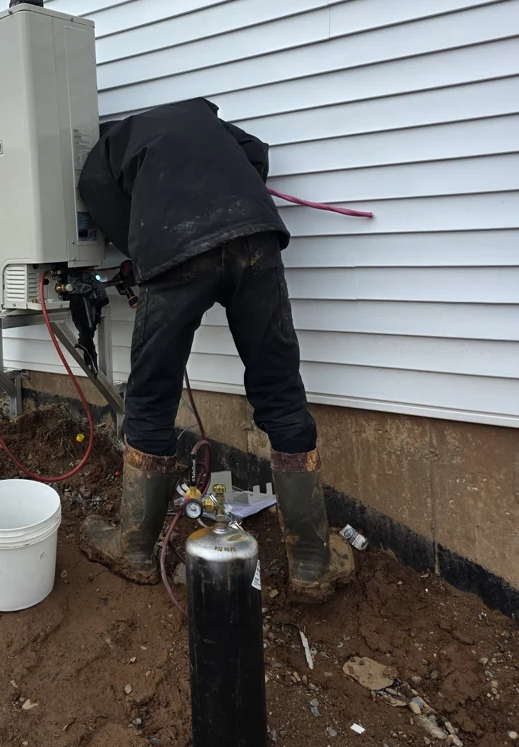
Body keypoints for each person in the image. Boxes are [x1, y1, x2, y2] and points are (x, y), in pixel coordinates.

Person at [77, 97, 354, 602]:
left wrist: (143, 251)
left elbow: (102, 197)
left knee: (152, 394)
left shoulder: (106, 151)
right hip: (254, 236)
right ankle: (312, 561)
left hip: (174, 251)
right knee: (279, 388)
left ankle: (135, 548)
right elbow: (256, 156)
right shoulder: (206, 121)